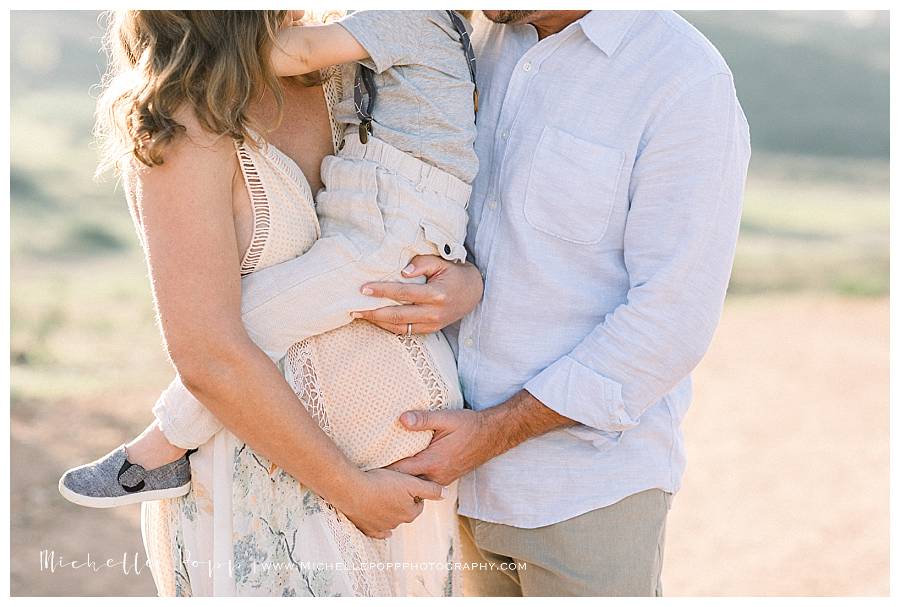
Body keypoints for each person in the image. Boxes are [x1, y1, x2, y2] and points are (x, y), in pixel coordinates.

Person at [64, 10, 483, 596]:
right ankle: (160, 444)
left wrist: (464, 284)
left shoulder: (342, 77)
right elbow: (207, 354)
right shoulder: (184, 125)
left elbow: (421, 210)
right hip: (279, 499)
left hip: (402, 507)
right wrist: (349, 488)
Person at [353, 10, 751, 596]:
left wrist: (490, 433)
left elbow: (672, 318)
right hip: (441, 491)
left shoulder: (683, 77)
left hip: (585, 490)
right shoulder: (465, 38)